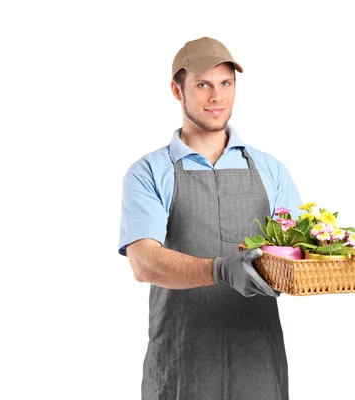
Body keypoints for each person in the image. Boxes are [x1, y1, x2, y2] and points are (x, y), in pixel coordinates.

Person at [118, 36, 302, 400]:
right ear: (177, 90)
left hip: (258, 363)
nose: (217, 97)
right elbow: (144, 263)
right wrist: (220, 270)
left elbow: (296, 253)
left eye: (226, 83)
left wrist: (329, 255)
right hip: (181, 363)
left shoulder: (271, 170)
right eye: (203, 85)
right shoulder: (149, 173)